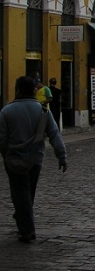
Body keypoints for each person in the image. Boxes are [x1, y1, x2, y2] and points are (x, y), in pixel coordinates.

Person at [0, 75, 67, 243]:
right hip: (35, 159)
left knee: (19, 192)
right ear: (34, 91)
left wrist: (5, 155)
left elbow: (1, 139)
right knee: (28, 191)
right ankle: (23, 218)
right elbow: (54, 134)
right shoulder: (43, 111)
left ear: (17, 90)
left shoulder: (6, 111)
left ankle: (27, 228)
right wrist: (62, 156)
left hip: (13, 159)